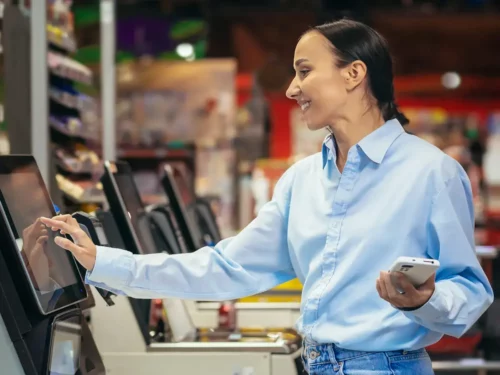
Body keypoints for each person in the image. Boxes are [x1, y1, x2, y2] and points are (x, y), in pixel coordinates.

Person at [41, 19, 493, 375]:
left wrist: (423, 302)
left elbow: (470, 292)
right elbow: (227, 267)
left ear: (355, 73)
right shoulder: (301, 181)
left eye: (304, 71)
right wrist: (104, 262)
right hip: (314, 364)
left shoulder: (431, 172)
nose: (292, 88)